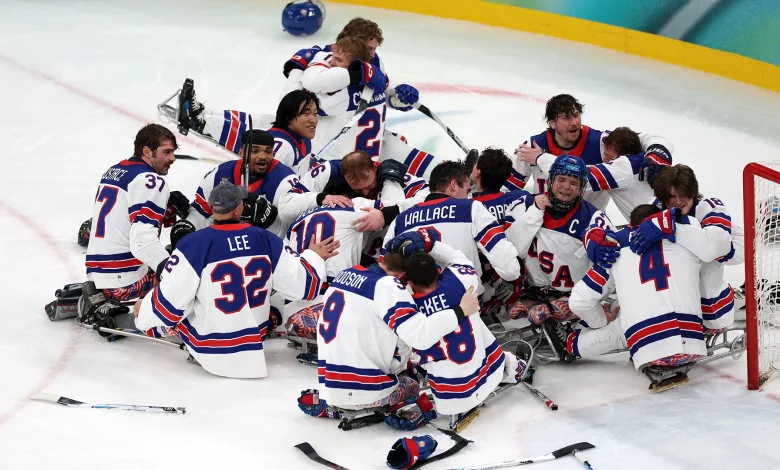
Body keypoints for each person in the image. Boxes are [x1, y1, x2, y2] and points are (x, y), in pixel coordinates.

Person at [133, 182, 338, 378]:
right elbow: (304, 286)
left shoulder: (192, 244)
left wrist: (143, 311)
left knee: (172, 302)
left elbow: (169, 306)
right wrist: (312, 256)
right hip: (254, 347)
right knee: (275, 299)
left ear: (213, 209)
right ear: (239, 208)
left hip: (211, 351)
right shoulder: (264, 238)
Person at [298, 250, 481, 431]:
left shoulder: (346, 273)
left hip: (328, 384)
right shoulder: (388, 286)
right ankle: (381, 407)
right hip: (366, 390)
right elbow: (420, 337)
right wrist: (461, 310)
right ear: (402, 276)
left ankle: (337, 404)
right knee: (412, 381)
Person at [285, 18, 446, 180]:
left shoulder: (373, 62)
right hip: (341, 158)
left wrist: (398, 98)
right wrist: (296, 70)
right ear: (354, 44)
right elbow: (305, 94)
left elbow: (377, 96)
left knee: (423, 162)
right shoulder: (332, 62)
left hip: (373, 147)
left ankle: (458, 177)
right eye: (369, 48)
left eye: (374, 49)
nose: (372, 54)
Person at [393, 232, 529, 416]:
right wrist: (430, 244)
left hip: (446, 397)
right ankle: (512, 367)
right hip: (484, 376)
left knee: (411, 343)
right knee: (473, 321)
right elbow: (457, 258)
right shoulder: (462, 281)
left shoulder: (407, 307)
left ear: (409, 282)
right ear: (438, 271)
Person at [565, 204, 707, 376]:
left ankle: (572, 344)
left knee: (622, 322)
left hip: (649, 350)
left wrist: (602, 320)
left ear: (630, 225)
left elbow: (579, 301)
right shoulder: (688, 232)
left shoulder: (614, 245)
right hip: (694, 345)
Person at [79, 124, 186, 327]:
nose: (173, 158)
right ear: (147, 151)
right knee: (188, 266)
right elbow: (142, 242)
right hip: (127, 283)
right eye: (167, 152)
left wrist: (167, 208)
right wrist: (172, 273)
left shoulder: (116, 169)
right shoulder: (152, 181)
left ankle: (95, 297)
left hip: (98, 273)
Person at [175, 129, 351, 242]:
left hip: (266, 249)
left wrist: (270, 220)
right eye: (255, 151)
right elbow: (202, 213)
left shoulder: (282, 178)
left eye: (268, 152)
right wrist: (188, 227)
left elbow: (291, 223)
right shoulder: (219, 174)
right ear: (242, 152)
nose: (263, 156)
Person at [503, 155, 616, 329]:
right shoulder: (526, 204)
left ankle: (575, 308)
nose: (566, 187)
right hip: (534, 291)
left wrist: (588, 298)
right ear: (550, 180)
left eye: (574, 183)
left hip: (572, 294)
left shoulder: (594, 219)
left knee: (537, 315)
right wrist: (535, 212)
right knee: (511, 312)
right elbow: (509, 249)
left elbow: (612, 265)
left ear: (581, 188)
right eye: (562, 180)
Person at [509, 94, 674, 211]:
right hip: (545, 225)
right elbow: (506, 191)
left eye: (576, 115)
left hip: (589, 228)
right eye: (566, 118)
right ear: (552, 123)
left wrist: (657, 155)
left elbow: (652, 139)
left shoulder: (603, 143)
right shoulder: (532, 146)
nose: (574, 122)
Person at [631, 164, 743, 330]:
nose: (677, 201)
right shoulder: (657, 206)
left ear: (692, 192)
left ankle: (718, 312)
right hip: (706, 245)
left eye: (683, 194)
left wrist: (668, 228)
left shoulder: (710, 207)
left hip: (734, 247)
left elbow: (712, 249)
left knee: (702, 266)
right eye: (671, 196)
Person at [284, 182, 401, 339]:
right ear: (345, 197)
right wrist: (390, 180)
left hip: (293, 315)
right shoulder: (353, 205)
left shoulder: (295, 223)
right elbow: (396, 206)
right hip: (332, 309)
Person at [384, 160, 523, 287]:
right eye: (468, 191)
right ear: (454, 185)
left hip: (417, 308)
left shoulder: (400, 220)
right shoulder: (472, 208)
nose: (468, 196)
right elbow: (510, 270)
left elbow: (386, 275)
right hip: (466, 305)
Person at [519, 127, 656, 223]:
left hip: (657, 228)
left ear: (623, 155)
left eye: (608, 156)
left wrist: (539, 157)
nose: (605, 161)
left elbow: (580, 176)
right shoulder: (638, 160)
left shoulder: (623, 169)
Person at [174, 84, 316, 174]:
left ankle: (202, 120)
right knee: (264, 121)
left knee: (258, 128)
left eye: (315, 113)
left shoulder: (298, 142)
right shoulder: (284, 146)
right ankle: (201, 117)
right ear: (289, 117)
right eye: (306, 113)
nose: (314, 119)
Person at [299, 150, 429, 212]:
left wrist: (391, 182)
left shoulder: (392, 175)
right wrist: (321, 198)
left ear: (375, 168)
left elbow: (432, 196)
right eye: (358, 190)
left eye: (369, 187)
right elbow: (290, 202)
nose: (366, 193)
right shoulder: (327, 172)